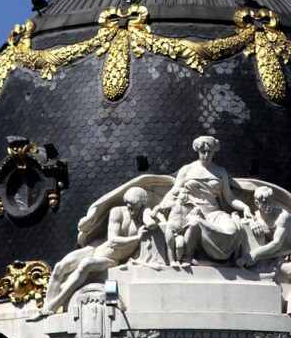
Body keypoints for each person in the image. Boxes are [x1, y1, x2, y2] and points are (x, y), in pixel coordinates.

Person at [36, 187, 154, 317]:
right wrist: (137, 238)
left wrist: (147, 211)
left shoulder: (142, 220)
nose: (131, 211)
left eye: (134, 208)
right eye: (129, 206)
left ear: (142, 204)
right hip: (96, 249)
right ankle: (45, 309)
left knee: (86, 264)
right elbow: (113, 240)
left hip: (112, 260)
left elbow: (153, 223)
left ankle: (55, 304)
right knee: (59, 266)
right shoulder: (118, 212)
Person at [156, 136, 254, 263]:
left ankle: (220, 256)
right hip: (192, 211)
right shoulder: (187, 170)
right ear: (197, 151)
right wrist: (161, 207)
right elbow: (174, 190)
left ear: (214, 152)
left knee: (232, 230)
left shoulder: (220, 171)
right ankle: (188, 257)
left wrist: (246, 207)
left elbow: (229, 198)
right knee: (195, 223)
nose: (206, 155)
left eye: (210, 152)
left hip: (214, 213)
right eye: (203, 152)